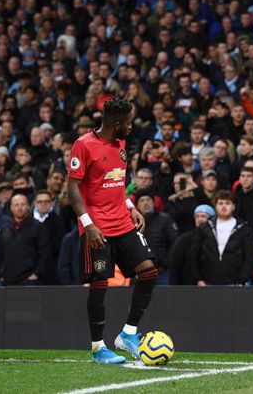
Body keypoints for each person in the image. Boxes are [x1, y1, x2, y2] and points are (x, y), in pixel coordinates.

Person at [67, 97, 153, 364]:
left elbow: (116, 181)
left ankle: (128, 334)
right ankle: (97, 348)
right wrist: (88, 225)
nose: (131, 127)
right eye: (127, 123)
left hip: (123, 222)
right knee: (99, 285)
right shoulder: (83, 145)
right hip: (98, 228)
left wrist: (131, 206)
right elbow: (72, 189)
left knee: (149, 271)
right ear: (116, 124)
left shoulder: (121, 145)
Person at [191, 190, 253, 285]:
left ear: (233, 206)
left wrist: (242, 280)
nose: (223, 206)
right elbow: (194, 254)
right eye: (220, 203)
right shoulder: (205, 227)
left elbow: (249, 257)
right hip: (208, 283)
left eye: (227, 203)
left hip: (235, 283)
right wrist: (199, 279)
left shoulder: (244, 229)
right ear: (215, 206)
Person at [0, 193, 52, 286]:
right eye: (16, 205)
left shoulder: (38, 227)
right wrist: (1, 274)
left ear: (28, 206)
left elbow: (45, 253)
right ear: (11, 208)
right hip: (8, 280)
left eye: (23, 204)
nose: (19, 207)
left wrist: (37, 273)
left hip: (30, 280)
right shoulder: (4, 228)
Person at [134, 189, 178, 285]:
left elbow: (174, 243)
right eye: (142, 200)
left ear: (153, 203)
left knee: (163, 298)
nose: (146, 203)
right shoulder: (132, 222)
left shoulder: (165, 219)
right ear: (137, 205)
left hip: (161, 271)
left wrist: (165, 264)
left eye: (148, 200)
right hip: (139, 272)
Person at [169, 204, 213, 286]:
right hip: (188, 285)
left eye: (203, 216)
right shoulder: (184, 238)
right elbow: (175, 264)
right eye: (197, 216)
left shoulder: (218, 238)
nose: (200, 219)